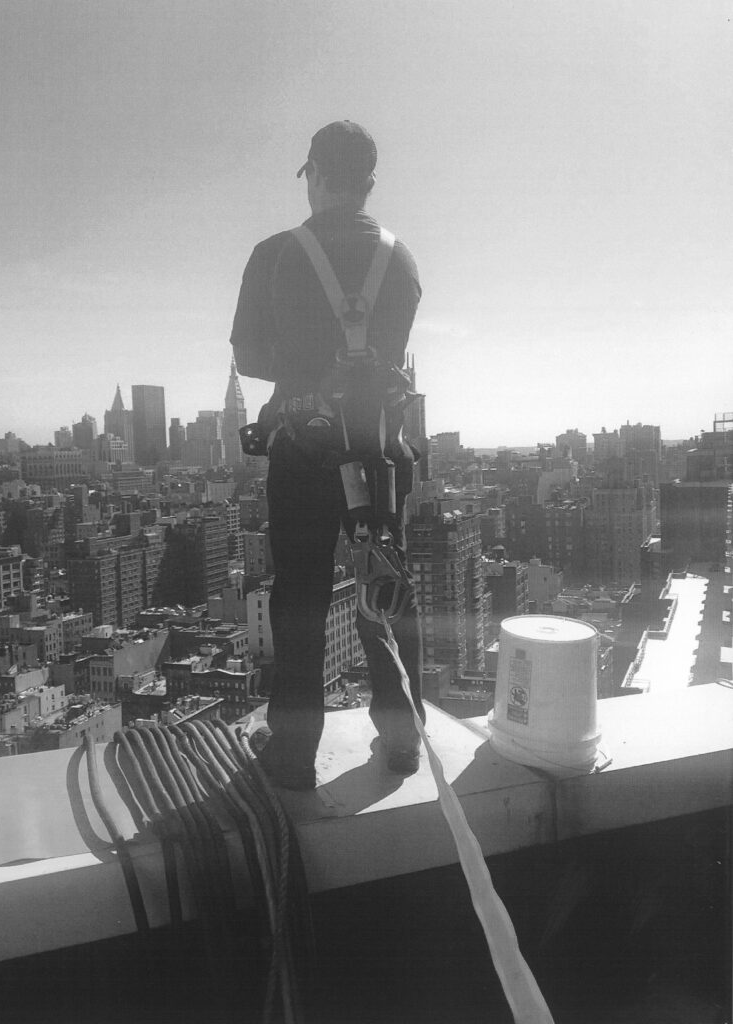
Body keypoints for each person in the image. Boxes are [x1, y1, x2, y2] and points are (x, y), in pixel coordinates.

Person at [230, 121, 424, 789]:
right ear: (367, 184)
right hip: (377, 446)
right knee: (384, 580)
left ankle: (292, 753)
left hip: (304, 446)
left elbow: (249, 358)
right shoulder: (399, 260)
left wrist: (304, 360)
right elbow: (393, 344)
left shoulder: (275, 254)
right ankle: (402, 741)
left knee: (300, 596)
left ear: (313, 173)